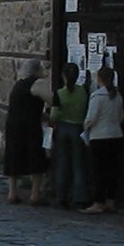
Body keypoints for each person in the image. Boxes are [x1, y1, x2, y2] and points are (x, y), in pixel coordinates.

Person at [2, 57, 48, 205]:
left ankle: (12, 193)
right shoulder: (36, 83)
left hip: (13, 124)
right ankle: (35, 195)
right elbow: (53, 100)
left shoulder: (18, 84)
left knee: (14, 156)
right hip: (29, 125)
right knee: (35, 156)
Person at [82, 64, 124, 214]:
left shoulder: (97, 96)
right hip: (116, 135)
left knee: (99, 171)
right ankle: (110, 201)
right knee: (112, 170)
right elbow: (121, 116)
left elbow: (91, 118)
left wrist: (85, 128)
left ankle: (98, 201)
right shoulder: (117, 96)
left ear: (99, 78)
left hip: (100, 136)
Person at [47, 61, 90, 209]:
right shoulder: (84, 91)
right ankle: (80, 197)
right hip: (78, 127)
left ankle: (61, 196)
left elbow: (54, 116)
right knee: (79, 164)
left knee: (63, 164)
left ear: (63, 76)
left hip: (63, 128)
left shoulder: (59, 94)